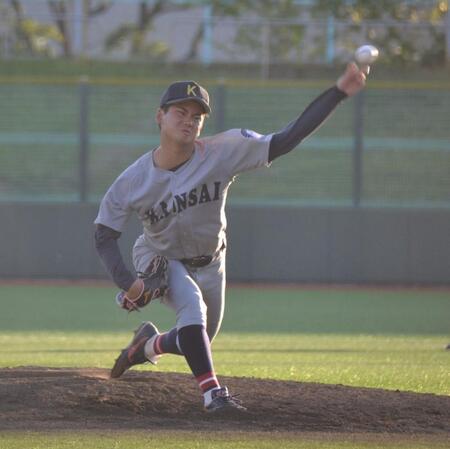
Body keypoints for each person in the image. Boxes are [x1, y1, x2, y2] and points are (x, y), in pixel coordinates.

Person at [94, 62, 368, 413]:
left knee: (198, 338)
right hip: (160, 257)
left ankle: (147, 346)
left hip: (212, 261)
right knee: (192, 312)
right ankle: (213, 394)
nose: (189, 120)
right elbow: (104, 234)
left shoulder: (222, 151)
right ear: (159, 117)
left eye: (197, 115)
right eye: (180, 111)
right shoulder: (132, 180)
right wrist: (130, 283)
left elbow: (286, 139)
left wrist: (338, 93)